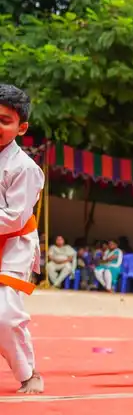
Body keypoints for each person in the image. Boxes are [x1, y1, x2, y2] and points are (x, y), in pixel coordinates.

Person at [0, 85, 46, 394]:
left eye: (5, 120)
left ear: (22, 127)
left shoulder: (25, 168)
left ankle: (29, 374)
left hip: (15, 244)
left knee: (4, 314)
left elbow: (14, 216)